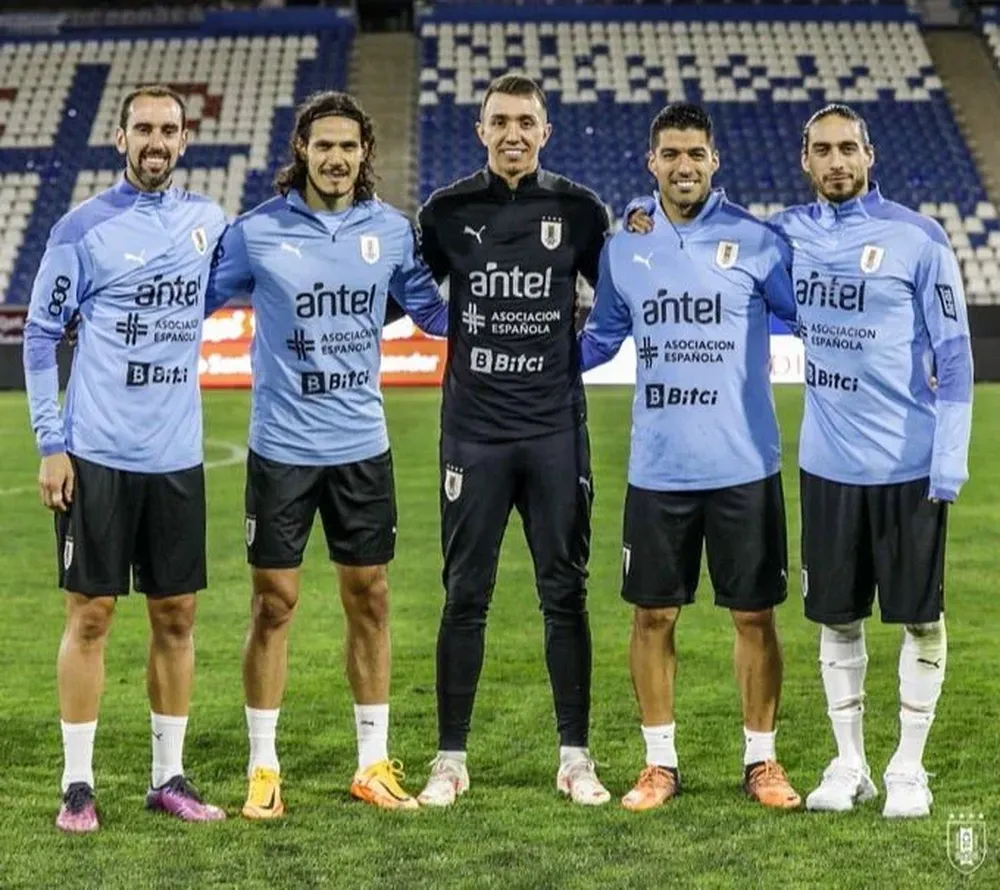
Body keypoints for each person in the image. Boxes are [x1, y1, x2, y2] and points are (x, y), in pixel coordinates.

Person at [206, 90, 448, 816]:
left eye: (349, 145)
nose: (337, 157)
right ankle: (263, 767)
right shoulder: (257, 233)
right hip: (281, 448)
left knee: (369, 597)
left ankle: (372, 763)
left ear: (365, 153)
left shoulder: (391, 231)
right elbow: (191, 301)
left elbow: (431, 312)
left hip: (361, 448)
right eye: (324, 145)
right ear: (302, 152)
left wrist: (494, 292)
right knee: (274, 604)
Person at [581, 103, 802, 811]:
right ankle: (659, 765)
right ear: (652, 163)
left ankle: (762, 762)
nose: (683, 166)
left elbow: (815, 314)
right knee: (652, 618)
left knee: (755, 618)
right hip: (658, 469)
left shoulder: (759, 242)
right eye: (670, 154)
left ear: (715, 161)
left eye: (696, 154)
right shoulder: (626, 246)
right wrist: (526, 363)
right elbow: (600, 339)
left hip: (744, 466)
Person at [23, 84, 227, 833]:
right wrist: (53, 443)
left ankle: (166, 776)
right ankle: (77, 784)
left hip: (176, 456)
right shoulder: (81, 228)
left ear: (183, 140)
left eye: (168, 130)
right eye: (143, 128)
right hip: (98, 454)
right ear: (120, 138)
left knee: (177, 615)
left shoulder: (209, 222)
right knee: (92, 617)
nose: (156, 141)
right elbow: (41, 336)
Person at [415, 73, 612, 807]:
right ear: (480, 128)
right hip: (474, 435)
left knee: (566, 593)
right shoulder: (445, 212)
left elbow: (619, 302)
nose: (513, 134)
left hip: (556, 431)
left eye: (526, 122)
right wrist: (456, 335)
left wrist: (572, 359)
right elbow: (413, 294)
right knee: (465, 594)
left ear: (545, 130)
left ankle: (576, 757)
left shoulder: (580, 212)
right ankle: (450, 760)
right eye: (500, 121)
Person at [771, 105, 973, 818]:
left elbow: (954, 356)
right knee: (837, 619)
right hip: (827, 465)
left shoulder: (919, 239)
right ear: (804, 160)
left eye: (847, 148)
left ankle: (909, 768)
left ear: (869, 153)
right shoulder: (786, 235)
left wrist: (947, 464)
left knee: (921, 619)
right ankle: (850, 762)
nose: (836, 161)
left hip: (910, 466)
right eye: (822, 150)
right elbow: (722, 257)